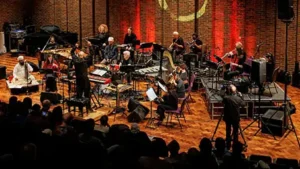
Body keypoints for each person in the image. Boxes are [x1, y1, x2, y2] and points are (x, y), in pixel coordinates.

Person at [222, 84, 246, 150]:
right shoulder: (238, 98)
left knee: (228, 131)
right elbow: (244, 104)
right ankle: (235, 146)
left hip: (228, 118)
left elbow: (223, 100)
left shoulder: (226, 98)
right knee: (235, 132)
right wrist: (241, 96)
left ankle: (228, 145)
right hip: (235, 118)